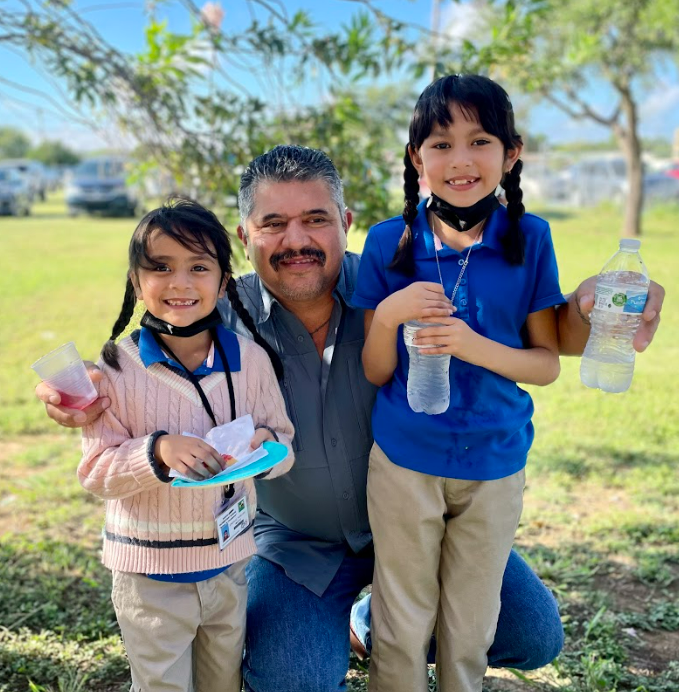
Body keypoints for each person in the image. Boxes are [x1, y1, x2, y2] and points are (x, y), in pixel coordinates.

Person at [37, 146, 665, 692]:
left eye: (316, 219)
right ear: (243, 234)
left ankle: (380, 623)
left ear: (346, 221)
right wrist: (84, 392)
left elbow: (539, 334)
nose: (296, 240)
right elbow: (138, 364)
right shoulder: (218, 316)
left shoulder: (397, 283)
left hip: (424, 527)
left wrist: (594, 310)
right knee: (293, 680)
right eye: (273, 223)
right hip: (297, 546)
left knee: (532, 637)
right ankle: (358, 624)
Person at [350, 75, 567, 692]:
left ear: (511, 153)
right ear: (416, 158)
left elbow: (546, 363)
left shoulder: (530, 238)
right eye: (440, 144)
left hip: (496, 463)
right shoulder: (389, 241)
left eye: (480, 141)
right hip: (404, 461)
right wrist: (391, 314)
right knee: (400, 615)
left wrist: (471, 345)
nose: (461, 160)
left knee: (471, 624)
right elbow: (374, 370)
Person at [77, 198, 294, 692]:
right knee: (162, 685)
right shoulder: (113, 369)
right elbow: (95, 470)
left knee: (223, 680)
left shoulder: (251, 360)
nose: (180, 282)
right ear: (136, 281)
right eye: (161, 267)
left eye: (199, 266)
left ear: (222, 282)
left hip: (229, 565)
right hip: (149, 578)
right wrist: (155, 451)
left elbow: (283, 441)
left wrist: (264, 451)